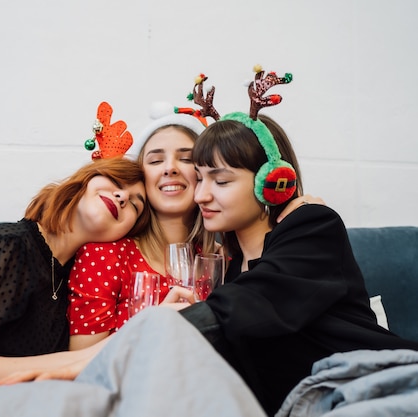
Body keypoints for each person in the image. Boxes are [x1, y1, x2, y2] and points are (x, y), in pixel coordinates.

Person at [178, 67, 418, 415]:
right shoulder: (229, 274)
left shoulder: (313, 227)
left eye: (221, 181)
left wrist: (167, 328)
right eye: (199, 179)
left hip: (374, 387)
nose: (201, 195)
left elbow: (261, 299)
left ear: (272, 181)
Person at [68, 98, 319, 351]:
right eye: (155, 161)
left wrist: (295, 210)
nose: (169, 168)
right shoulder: (106, 255)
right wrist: (151, 326)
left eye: (186, 159)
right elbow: (81, 359)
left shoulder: (225, 261)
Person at [0, 154, 150, 384]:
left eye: (135, 205)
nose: (122, 196)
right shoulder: (10, 246)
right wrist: (83, 358)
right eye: (116, 182)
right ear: (86, 180)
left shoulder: (77, 280)